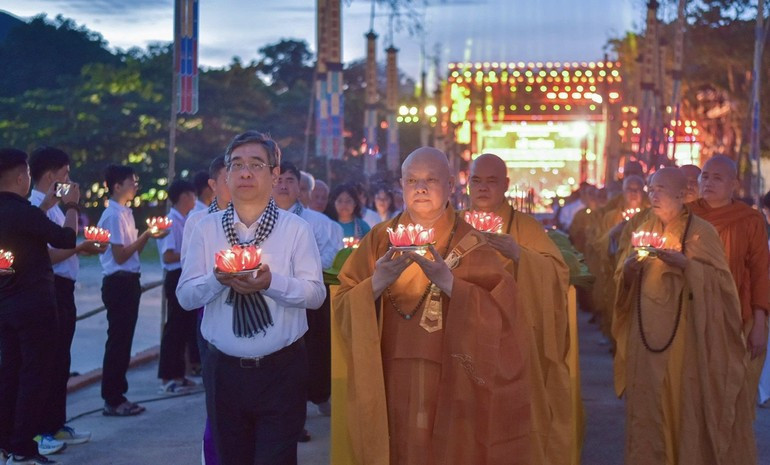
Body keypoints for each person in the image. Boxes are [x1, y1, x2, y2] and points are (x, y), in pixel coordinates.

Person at [333, 147, 531, 465]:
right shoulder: (379, 239)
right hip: (389, 371)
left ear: (451, 185)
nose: (421, 188)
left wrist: (451, 284)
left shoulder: (473, 242)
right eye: (412, 180)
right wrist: (376, 283)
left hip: (454, 373)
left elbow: (504, 313)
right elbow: (342, 303)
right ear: (401, 184)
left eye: (430, 179)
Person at [176, 131, 325, 465]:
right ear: (225, 175)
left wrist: (271, 283)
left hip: (281, 370)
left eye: (256, 165)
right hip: (223, 371)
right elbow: (185, 296)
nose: (245, 173)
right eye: (237, 165)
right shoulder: (206, 228)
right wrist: (216, 280)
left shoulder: (295, 229)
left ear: (274, 175)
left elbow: (315, 295)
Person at [613, 167, 754, 464]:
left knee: (681, 408)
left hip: (684, 339)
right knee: (647, 411)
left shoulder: (701, 232)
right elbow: (620, 279)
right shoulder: (643, 226)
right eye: (651, 188)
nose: (653, 194)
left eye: (660, 188)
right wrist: (629, 269)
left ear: (681, 193)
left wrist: (687, 265)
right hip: (644, 336)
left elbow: (723, 287)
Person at [467, 153, 576, 465]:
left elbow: (558, 272)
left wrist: (519, 254)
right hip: (466, 337)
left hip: (513, 338)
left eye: (491, 181)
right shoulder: (454, 224)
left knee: (513, 415)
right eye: (477, 180)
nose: (483, 188)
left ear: (505, 185)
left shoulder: (525, 226)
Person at [0, 148, 77, 465]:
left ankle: (6, 443)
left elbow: (29, 228)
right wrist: (72, 206)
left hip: (5, 302)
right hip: (35, 305)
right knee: (35, 375)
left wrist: (46, 206)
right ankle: (24, 447)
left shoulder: (12, 211)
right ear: (21, 177)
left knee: (9, 373)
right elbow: (65, 239)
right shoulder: (22, 210)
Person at [28, 147, 100, 454]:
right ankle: (38, 431)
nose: (69, 180)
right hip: (49, 287)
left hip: (65, 288)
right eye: (65, 174)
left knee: (60, 362)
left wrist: (79, 247)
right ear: (50, 175)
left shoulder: (55, 207)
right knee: (45, 363)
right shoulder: (35, 206)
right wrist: (79, 248)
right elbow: (48, 254)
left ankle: (56, 425)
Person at [689, 155, 769, 409]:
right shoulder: (686, 215)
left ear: (733, 184)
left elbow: (760, 272)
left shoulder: (750, 219)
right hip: (690, 312)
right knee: (694, 393)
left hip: (735, 314)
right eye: (705, 176)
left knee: (730, 393)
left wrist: (759, 323)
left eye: (718, 177)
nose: (708, 182)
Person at [274, 161, 343, 432]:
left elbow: (331, 253)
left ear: (300, 189)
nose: (283, 185)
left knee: (308, 355)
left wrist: (302, 267)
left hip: (309, 296)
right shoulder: (257, 219)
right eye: (278, 179)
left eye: (290, 180)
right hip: (273, 296)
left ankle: (311, 403)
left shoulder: (317, 221)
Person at [180, 155, 231, 465]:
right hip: (211, 316)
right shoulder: (199, 222)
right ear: (213, 185)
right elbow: (192, 277)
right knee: (218, 402)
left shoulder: (260, 220)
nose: (241, 180)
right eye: (231, 175)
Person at [98, 165, 157, 417]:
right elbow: (121, 256)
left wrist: (143, 238)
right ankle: (113, 398)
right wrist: (147, 235)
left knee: (123, 342)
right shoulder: (112, 215)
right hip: (118, 283)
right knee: (118, 342)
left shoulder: (125, 213)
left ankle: (118, 395)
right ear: (116, 186)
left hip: (128, 281)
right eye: (131, 182)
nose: (135, 186)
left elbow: (131, 253)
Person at [157, 179, 199, 394]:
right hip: (175, 275)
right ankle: (166, 377)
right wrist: (191, 254)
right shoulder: (170, 222)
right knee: (173, 328)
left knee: (183, 327)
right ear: (184, 197)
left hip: (185, 275)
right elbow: (168, 254)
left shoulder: (185, 220)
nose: (195, 200)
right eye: (192, 195)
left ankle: (179, 375)